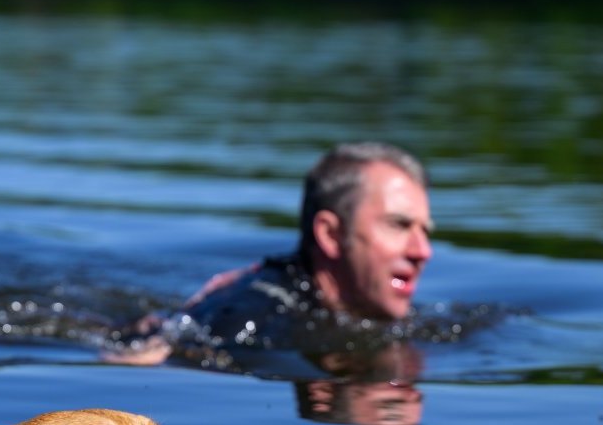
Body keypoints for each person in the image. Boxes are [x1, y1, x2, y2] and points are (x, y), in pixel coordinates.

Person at [104, 142, 435, 366]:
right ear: (331, 235)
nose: (423, 251)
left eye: (425, 231)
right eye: (399, 225)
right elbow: (159, 355)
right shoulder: (256, 314)